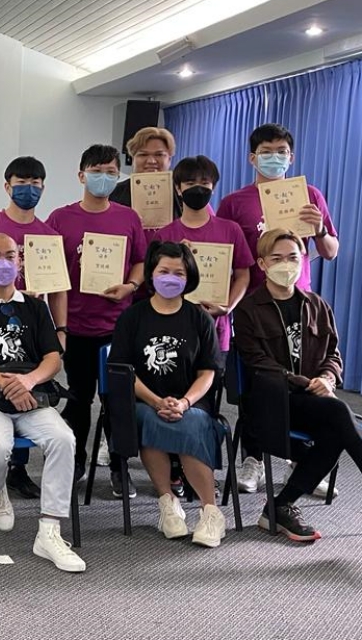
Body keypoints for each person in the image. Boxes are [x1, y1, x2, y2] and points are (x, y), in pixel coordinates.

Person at [217, 123, 340, 495]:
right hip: (254, 308)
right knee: (258, 383)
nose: (275, 157)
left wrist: (319, 230)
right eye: (267, 151)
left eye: (282, 151)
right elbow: (227, 258)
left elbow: (331, 251)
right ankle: (252, 458)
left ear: (292, 156)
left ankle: (301, 463)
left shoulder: (311, 196)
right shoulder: (235, 202)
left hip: (297, 307)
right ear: (252, 157)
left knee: (301, 384)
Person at [0, 233, 84, 572]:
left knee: (63, 439)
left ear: (20, 262)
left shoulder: (36, 307)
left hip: (32, 396)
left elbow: (53, 358)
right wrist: (5, 383)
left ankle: (50, 531)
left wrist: (27, 381)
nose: (2, 263)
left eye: (10, 256)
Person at [233, 229, 362, 542]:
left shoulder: (316, 305)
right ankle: (280, 507)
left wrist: (328, 378)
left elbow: (333, 353)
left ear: (303, 260)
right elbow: (259, 364)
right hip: (271, 404)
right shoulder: (249, 310)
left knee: (335, 428)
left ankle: (279, 506)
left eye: (293, 257)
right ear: (262, 264)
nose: (286, 263)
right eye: (277, 258)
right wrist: (309, 383)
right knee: (339, 413)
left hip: (315, 404)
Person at [0, 156, 67, 500]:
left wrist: (61, 330)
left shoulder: (49, 235)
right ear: (7, 186)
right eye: (22, 182)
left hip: (32, 324)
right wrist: (4, 292)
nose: (28, 189)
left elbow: (59, 287)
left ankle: (18, 470)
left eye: (35, 183)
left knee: (28, 385)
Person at [108, 241, 227, 547]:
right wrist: (156, 401)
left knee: (189, 423)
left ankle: (210, 511)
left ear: (189, 278)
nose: (171, 278)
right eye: (164, 271)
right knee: (150, 420)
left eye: (179, 272)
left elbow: (207, 372)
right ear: (151, 273)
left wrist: (185, 402)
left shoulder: (199, 318)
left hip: (191, 401)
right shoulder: (132, 317)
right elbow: (123, 370)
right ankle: (167, 502)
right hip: (145, 399)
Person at [46, 144, 147, 498]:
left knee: (118, 400)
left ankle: (120, 467)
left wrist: (130, 286)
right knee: (79, 398)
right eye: (97, 170)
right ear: (81, 175)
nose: (103, 177)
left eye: (110, 171)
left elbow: (140, 262)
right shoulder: (60, 219)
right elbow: (49, 269)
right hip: (75, 326)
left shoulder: (128, 218)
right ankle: (74, 460)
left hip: (119, 326)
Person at [152, 156, 254, 368]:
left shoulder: (231, 229)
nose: (198, 189)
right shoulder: (165, 235)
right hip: (172, 323)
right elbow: (152, 280)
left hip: (218, 327)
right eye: (190, 184)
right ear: (178, 190)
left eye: (205, 184)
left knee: (211, 389)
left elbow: (243, 275)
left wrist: (227, 307)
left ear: (213, 188)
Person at [109, 126, 180, 219]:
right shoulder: (114, 193)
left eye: (159, 154)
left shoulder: (181, 193)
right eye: (143, 154)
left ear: (169, 159)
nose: (151, 161)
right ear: (133, 159)